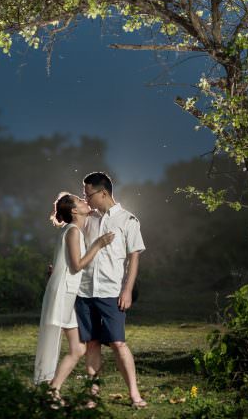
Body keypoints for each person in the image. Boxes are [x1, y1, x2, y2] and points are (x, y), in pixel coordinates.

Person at [76, 171, 147, 409]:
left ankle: (135, 395)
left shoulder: (128, 220)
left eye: (89, 195)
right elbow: (78, 251)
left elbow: (134, 258)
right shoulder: (89, 220)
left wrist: (127, 290)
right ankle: (92, 396)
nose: (86, 200)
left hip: (111, 291)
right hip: (85, 291)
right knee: (92, 344)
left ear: (103, 192)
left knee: (118, 343)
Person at [34, 192, 115, 392]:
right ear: (74, 210)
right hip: (63, 293)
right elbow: (78, 265)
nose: (84, 201)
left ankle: (52, 390)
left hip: (67, 293)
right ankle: (51, 390)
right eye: (80, 201)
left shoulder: (72, 231)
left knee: (78, 349)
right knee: (74, 348)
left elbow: (68, 263)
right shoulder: (72, 231)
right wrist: (98, 244)